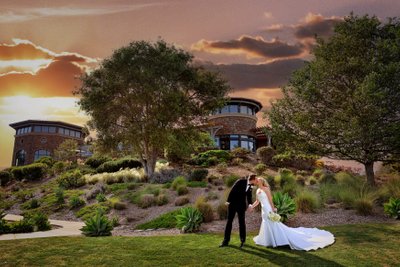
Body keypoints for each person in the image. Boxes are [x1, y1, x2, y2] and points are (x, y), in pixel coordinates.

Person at [250, 177, 335, 251]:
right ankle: (267, 240)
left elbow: (270, 200)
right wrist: (251, 206)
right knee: (266, 223)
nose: (257, 180)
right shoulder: (257, 190)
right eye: (257, 180)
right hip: (263, 210)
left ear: (262, 182)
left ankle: (277, 240)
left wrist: (273, 209)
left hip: (268, 209)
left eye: (259, 179)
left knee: (272, 223)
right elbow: (257, 201)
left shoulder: (266, 189)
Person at [219, 174, 257, 248]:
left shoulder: (251, 185)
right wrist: (227, 202)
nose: (256, 181)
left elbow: (249, 195)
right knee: (229, 222)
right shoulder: (240, 181)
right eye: (255, 179)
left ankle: (243, 240)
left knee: (242, 222)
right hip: (232, 204)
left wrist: (250, 204)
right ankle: (225, 241)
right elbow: (232, 191)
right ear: (252, 179)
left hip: (242, 206)